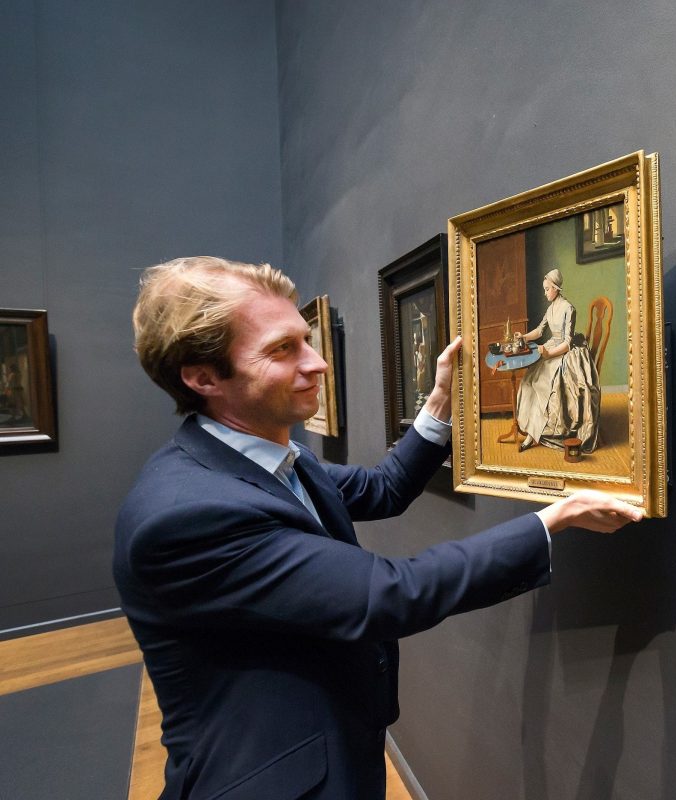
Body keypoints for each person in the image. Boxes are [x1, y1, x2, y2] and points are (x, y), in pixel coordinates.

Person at [113, 256, 642, 800]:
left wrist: (437, 403)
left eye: (306, 339)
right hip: (271, 776)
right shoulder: (188, 514)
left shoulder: (271, 458)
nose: (317, 363)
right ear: (202, 378)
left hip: (335, 742)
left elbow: (381, 488)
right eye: (282, 349)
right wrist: (551, 519)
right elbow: (391, 592)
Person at [515, 268, 600, 453]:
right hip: (550, 346)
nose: (545, 293)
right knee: (528, 380)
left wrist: (549, 354)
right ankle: (530, 429)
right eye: (544, 289)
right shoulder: (551, 308)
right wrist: (524, 337)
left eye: (547, 289)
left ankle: (533, 434)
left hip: (562, 352)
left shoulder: (568, 308)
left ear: (556, 288)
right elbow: (539, 331)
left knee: (541, 384)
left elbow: (568, 343)